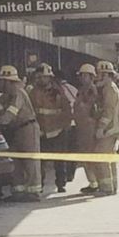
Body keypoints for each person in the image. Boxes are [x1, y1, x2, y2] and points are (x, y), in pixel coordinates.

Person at [0, 65, 42, 202]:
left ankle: (34, 191)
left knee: (30, 160)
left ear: (9, 81)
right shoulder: (6, 96)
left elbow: (11, 113)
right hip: (15, 130)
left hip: (28, 128)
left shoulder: (18, 93)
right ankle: (18, 191)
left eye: (2, 80)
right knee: (16, 160)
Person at [29, 63, 72, 193]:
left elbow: (66, 110)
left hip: (57, 130)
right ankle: (40, 184)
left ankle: (60, 183)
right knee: (40, 160)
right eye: (39, 77)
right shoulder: (33, 92)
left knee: (59, 159)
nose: (41, 79)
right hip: (41, 131)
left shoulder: (58, 91)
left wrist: (65, 126)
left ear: (49, 78)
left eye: (43, 77)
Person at [93, 61, 119, 197]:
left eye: (99, 74)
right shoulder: (110, 87)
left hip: (109, 129)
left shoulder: (109, 89)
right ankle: (112, 186)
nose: (97, 77)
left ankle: (106, 188)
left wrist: (101, 127)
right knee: (110, 158)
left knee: (101, 157)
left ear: (105, 75)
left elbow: (109, 111)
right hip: (112, 129)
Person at [74, 64, 100, 194]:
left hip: (88, 127)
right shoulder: (82, 89)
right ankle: (92, 182)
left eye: (85, 75)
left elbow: (88, 107)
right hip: (82, 127)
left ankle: (95, 183)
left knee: (89, 156)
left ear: (91, 77)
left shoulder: (91, 90)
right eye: (81, 75)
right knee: (85, 156)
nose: (82, 77)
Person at [54, 69, 79, 182]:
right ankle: (71, 174)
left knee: (63, 151)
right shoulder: (73, 89)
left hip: (64, 125)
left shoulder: (57, 91)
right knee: (73, 150)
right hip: (75, 124)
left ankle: (63, 175)